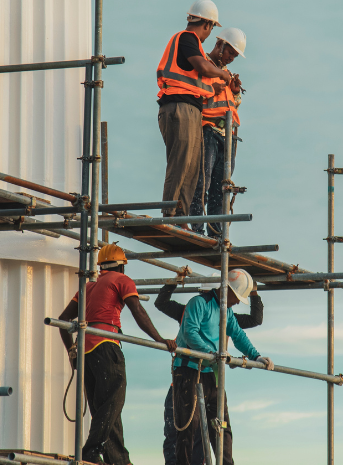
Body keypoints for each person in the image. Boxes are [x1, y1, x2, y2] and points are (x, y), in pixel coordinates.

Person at [58, 243, 178, 465]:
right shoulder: (121, 280)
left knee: (104, 408)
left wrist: (72, 352)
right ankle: (91, 450)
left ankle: (118, 460)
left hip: (86, 350)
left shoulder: (88, 287)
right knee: (114, 400)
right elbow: (138, 311)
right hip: (106, 344)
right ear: (121, 266)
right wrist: (159, 339)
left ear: (101, 266)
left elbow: (63, 321)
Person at [170, 269, 274, 465]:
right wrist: (213, 352)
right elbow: (190, 332)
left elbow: (238, 335)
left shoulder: (227, 311)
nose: (237, 302)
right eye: (237, 297)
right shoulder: (198, 304)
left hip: (212, 372)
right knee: (188, 427)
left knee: (222, 427)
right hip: (189, 370)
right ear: (227, 290)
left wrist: (256, 356)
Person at [157, 0, 233, 224]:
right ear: (208, 24)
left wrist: (213, 87)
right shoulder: (187, 38)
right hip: (178, 108)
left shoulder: (192, 44)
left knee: (191, 168)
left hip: (189, 109)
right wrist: (222, 74)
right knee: (181, 163)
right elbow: (201, 66)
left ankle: (182, 218)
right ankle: (170, 214)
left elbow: (194, 79)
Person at [189, 28, 246, 238]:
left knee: (220, 188)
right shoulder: (202, 63)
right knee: (201, 179)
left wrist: (236, 92)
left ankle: (215, 233)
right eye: (230, 52)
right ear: (220, 44)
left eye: (234, 55)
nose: (231, 58)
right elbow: (197, 92)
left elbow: (232, 105)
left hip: (227, 134)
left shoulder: (226, 73)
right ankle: (196, 227)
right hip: (208, 129)